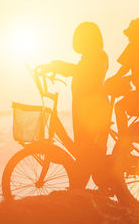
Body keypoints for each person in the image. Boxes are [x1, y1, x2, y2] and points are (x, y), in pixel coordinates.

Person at [38, 22, 110, 189]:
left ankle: (79, 188)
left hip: (93, 111)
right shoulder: (91, 56)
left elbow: (82, 72)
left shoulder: (98, 55)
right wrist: (54, 67)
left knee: (86, 150)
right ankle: (78, 189)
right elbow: (79, 70)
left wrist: (56, 66)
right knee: (84, 151)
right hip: (85, 109)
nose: (77, 40)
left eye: (80, 37)